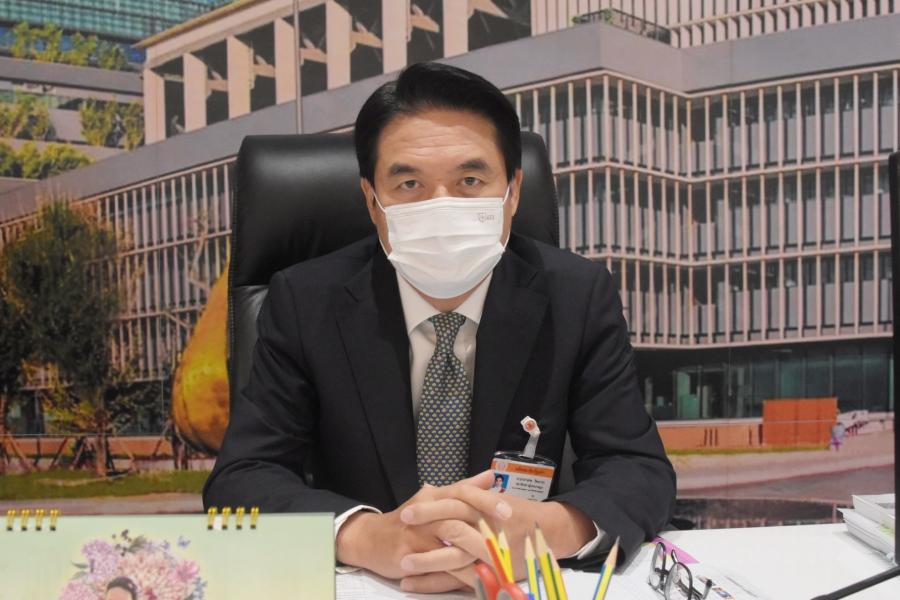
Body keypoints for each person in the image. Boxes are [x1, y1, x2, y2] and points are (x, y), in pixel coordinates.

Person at [203, 61, 676, 594]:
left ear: (513, 191)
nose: (442, 206)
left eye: (470, 181)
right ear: (372, 201)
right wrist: (365, 537)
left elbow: (637, 468)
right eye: (409, 183)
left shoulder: (576, 295)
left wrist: (547, 531)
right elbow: (243, 478)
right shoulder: (305, 301)